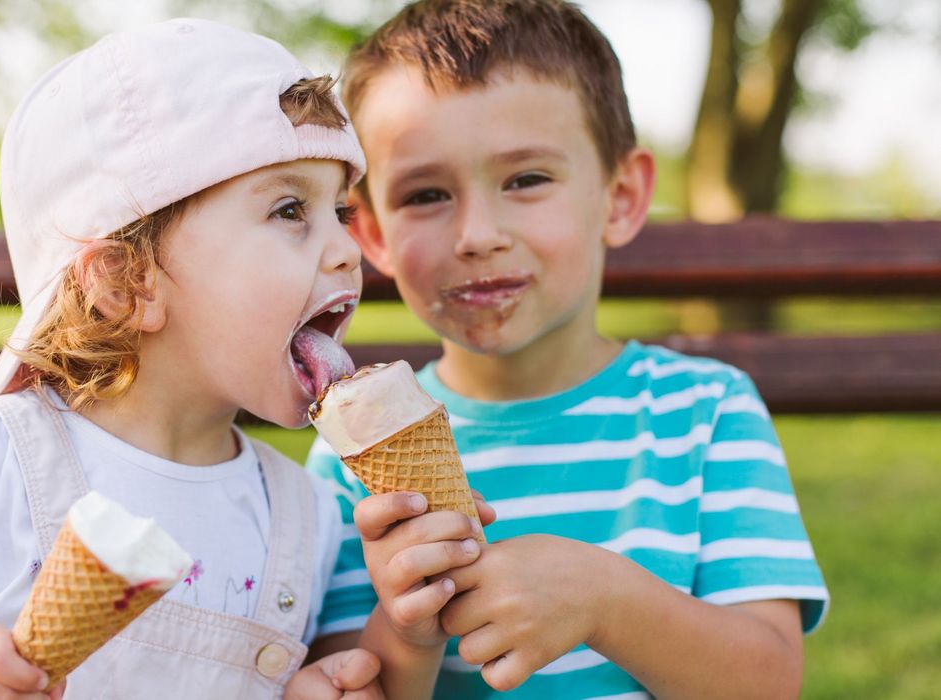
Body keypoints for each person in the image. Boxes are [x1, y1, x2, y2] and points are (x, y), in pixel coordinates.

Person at [0, 18, 483, 700]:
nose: (345, 251)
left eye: (338, 209)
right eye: (287, 210)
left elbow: (361, 685)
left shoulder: (304, 513)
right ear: (128, 283)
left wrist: (404, 633)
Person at [306, 1, 830, 698]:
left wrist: (607, 600)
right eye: (426, 194)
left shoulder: (706, 415)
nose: (478, 234)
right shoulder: (354, 459)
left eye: (526, 180)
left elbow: (769, 684)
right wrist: (404, 631)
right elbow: (347, 680)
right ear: (373, 235)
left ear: (619, 197)